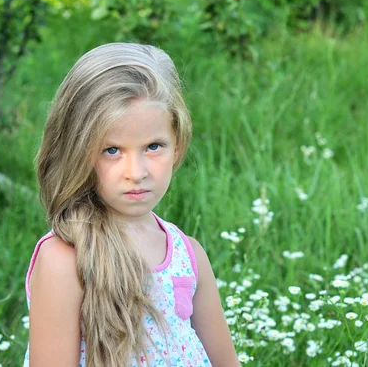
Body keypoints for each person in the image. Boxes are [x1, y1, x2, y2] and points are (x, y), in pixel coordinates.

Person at [23, 43, 239, 366]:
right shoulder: (66, 260)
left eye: (153, 146)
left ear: (177, 147)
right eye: (111, 150)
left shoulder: (188, 257)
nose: (136, 173)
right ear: (77, 150)